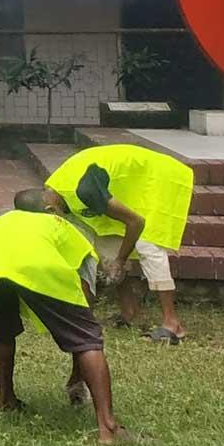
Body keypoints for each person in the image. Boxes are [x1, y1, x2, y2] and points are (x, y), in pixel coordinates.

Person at [0, 194, 131, 444]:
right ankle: (108, 428)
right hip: (39, 267)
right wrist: (83, 337)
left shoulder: (1, 223)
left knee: (3, 329)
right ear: (50, 210)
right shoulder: (62, 227)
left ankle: (6, 399)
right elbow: (83, 300)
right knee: (89, 339)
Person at [40, 143, 195, 343]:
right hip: (131, 183)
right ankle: (130, 312)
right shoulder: (58, 193)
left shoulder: (84, 189)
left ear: (49, 207)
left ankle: (172, 324)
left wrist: (120, 261)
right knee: (105, 243)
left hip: (159, 178)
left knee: (148, 244)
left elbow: (136, 222)